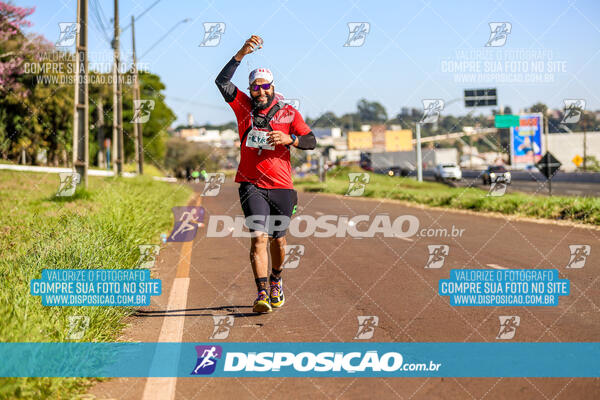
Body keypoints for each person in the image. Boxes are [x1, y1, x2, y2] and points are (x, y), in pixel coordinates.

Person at [215, 35, 316, 313]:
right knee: (258, 237)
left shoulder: (288, 112)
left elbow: (311, 141)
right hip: (251, 184)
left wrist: (290, 140)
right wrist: (240, 53)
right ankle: (261, 293)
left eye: (265, 87)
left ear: (273, 88)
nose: (260, 92)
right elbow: (222, 83)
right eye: (255, 88)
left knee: (278, 240)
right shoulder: (242, 106)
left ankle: (276, 281)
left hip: (282, 186)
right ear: (250, 89)